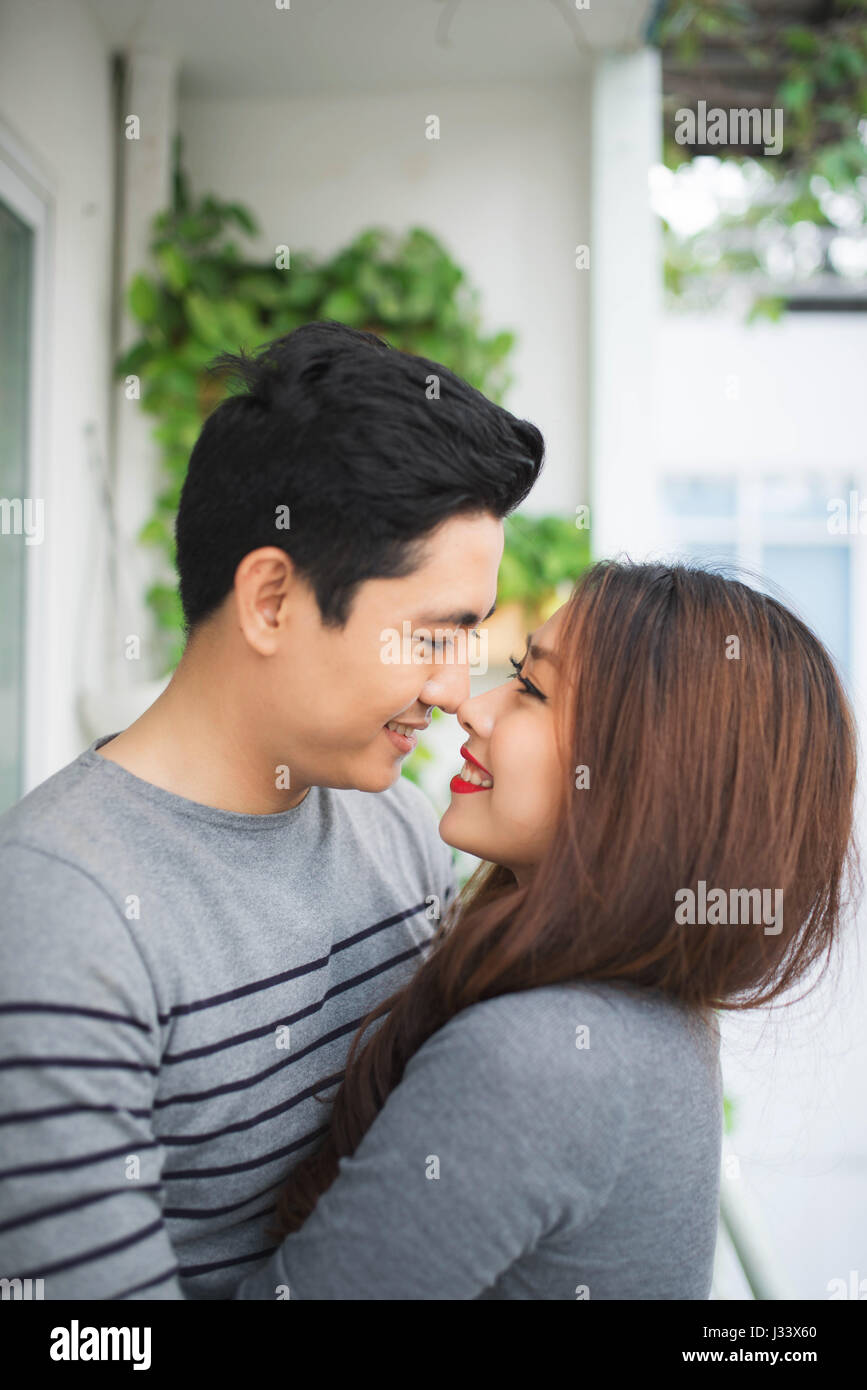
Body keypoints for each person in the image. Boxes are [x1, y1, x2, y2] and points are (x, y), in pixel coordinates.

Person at [0, 321, 545, 1299]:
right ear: (271, 600)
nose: (459, 688)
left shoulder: (405, 832)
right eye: (433, 635)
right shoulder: (59, 911)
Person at [235, 560, 859, 1301]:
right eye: (513, 672)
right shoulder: (650, 1013)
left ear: (645, 777)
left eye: (531, 690)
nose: (471, 707)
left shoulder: (543, 1056)